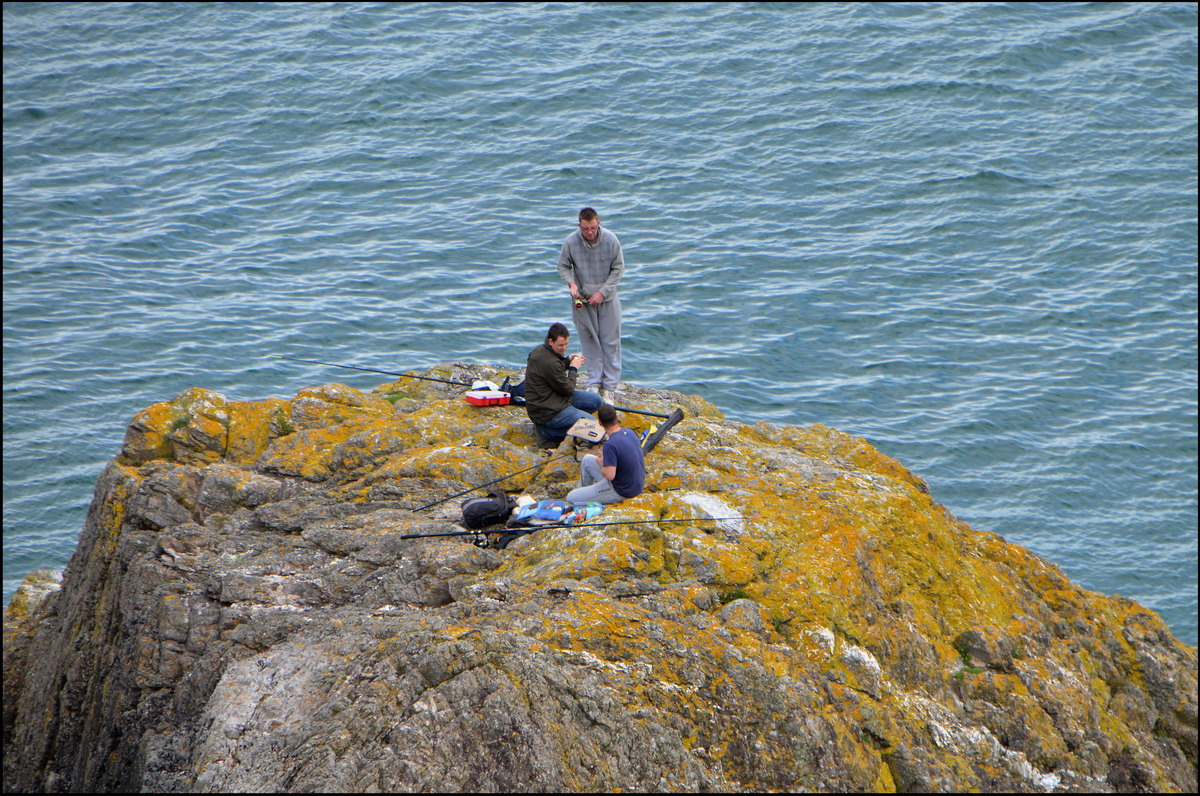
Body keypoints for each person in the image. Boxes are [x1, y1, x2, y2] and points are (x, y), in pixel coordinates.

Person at [557, 207, 624, 403]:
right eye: (586, 229)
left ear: (599, 224)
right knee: (588, 341)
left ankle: (610, 386)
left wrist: (602, 293)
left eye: (593, 228)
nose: (590, 233)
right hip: (583, 301)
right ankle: (593, 381)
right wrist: (571, 283)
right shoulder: (571, 242)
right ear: (580, 226)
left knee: (610, 341)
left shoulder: (611, 240)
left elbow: (618, 269)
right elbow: (562, 265)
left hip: (607, 299)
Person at [524, 322, 604, 446]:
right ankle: (547, 432)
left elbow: (554, 371)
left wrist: (567, 360)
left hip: (555, 398)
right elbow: (568, 389)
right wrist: (573, 368)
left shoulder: (545, 350)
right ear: (551, 341)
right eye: (561, 345)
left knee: (596, 401)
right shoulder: (547, 360)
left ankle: (571, 421)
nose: (564, 348)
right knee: (594, 427)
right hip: (548, 411)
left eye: (566, 344)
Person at [566, 403, 645, 505]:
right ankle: (585, 494)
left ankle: (583, 498)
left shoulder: (610, 445)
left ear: (600, 423)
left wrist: (602, 463)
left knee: (571, 497)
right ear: (616, 417)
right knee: (587, 460)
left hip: (621, 491)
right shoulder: (630, 432)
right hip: (636, 485)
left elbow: (609, 476)